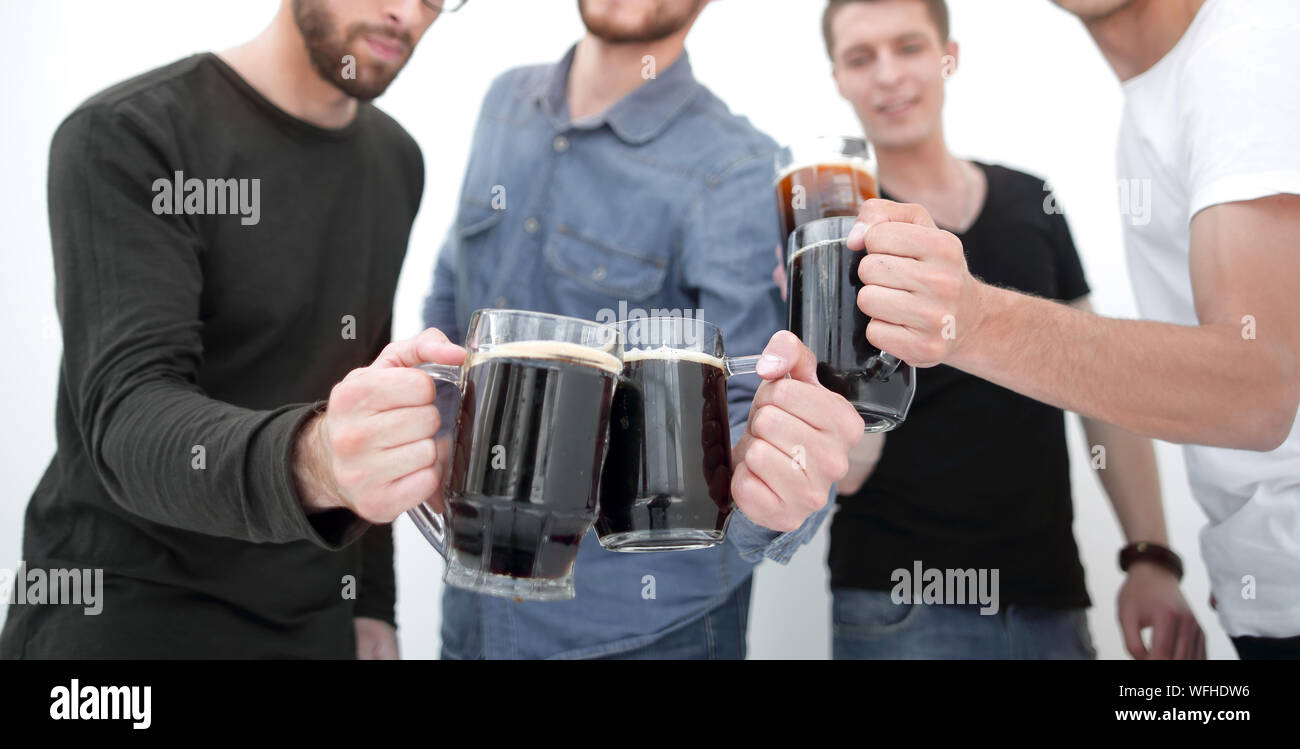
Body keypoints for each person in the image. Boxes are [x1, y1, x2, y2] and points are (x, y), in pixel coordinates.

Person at [0, 0, 468, 660]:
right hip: (127, 622)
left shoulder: (395, 159)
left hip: (311, 622)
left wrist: (369, 604)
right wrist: (320, 462)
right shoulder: (125, 133)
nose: (405, 13)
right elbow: (129, 417)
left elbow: (365, 379)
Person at [850, 0, 1300, 658]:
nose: (889, 75)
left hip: (1053, 591)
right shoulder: (1154, 106)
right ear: (837, 77)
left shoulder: (1240, 55)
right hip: (897, 600)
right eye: (861, 58)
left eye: (909, 47)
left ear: (949, 55)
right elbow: (845, 468)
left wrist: (1149, 551)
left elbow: (1241, 387)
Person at [424, 0, 864, 660]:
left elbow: (757, 400)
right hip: (472, 611)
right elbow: (450, 303)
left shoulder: (737, 168)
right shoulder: (503, 102)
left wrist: (771, 479)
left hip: (645, 632)